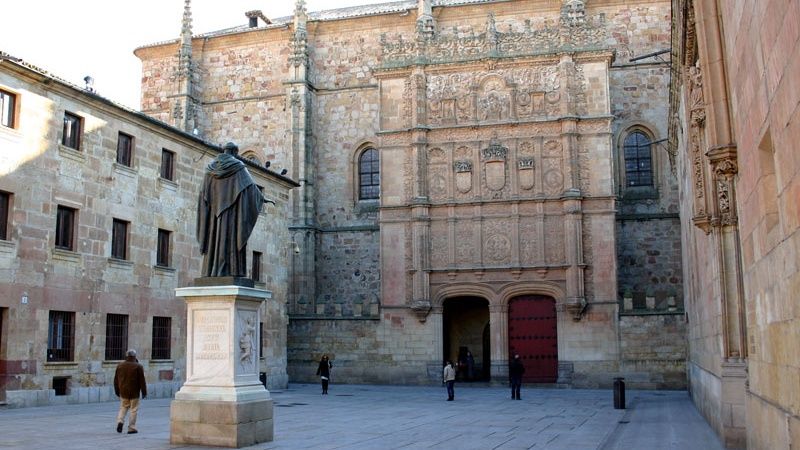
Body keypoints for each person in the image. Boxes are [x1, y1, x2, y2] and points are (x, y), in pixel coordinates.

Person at [196, 142, 265, 278]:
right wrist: (262, 198)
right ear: (234, 152)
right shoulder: (239, 167)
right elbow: (251, 188)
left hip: (213, 219)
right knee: (231, 242)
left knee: (213, 240)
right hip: (232, 217)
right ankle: (232, 271)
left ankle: (210, 271)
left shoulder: (209, 171)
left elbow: (203, 195)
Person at [114, 349, 147, 434]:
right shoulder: (138, 366)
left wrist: (117, 390)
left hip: (123, 391)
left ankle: (120, 421)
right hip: (134, 392)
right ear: (134, 356)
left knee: (123, 407)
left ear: (127, 356)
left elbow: (116, 380)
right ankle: (131, 427)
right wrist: (144, 392)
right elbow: (142, 381)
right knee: (133, 409)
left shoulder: (120, 366)